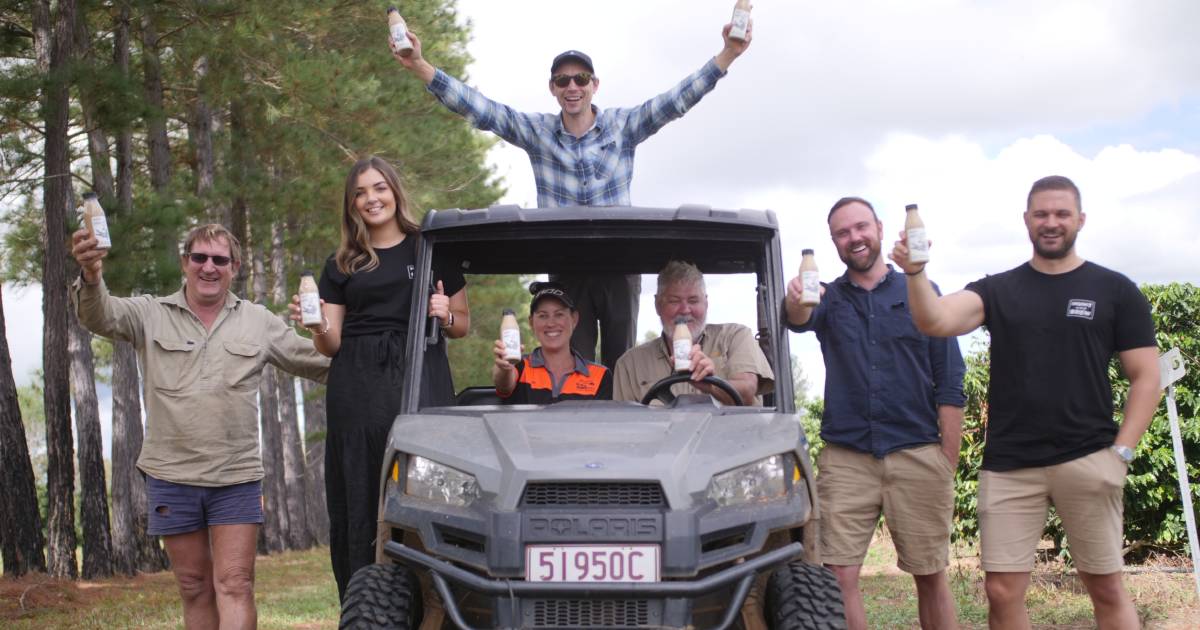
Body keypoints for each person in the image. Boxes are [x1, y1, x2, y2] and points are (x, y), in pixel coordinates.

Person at [390, 20, 752, 372]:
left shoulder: (622, 126)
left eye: (581, 79)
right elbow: (481, 110)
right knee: (570, 362)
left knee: (620, 359)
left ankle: (623, 429)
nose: (572, 86)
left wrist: (727, 55)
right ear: (553, 88)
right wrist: (421, 66)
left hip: (618, 267)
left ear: (595, 85)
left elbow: (676, 101)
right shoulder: (538, 133)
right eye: (563, 80)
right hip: (567, 268)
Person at [891, 175, 1161, 630]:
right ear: (1026, 221)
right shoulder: (998, 290)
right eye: (1041, 214)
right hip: (1010, 465)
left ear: (1080, 219)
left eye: (1061, 214)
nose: (1051, 223)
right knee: (1001, 592)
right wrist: (915, 274)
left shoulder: (1114, 289)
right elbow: (935, 320)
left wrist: (1122, 453)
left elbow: (1146, 377)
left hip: (1090, 458)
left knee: (1106, 587)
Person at [71, 223, 329, 630]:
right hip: (171, 475)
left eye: (220, 260)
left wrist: (349, 340)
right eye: (200, 258)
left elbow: (321, 362)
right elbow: (99, 315)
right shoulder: (149, 313)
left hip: (236, 477)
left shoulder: (258, 321)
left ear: (235, 267)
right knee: (193, 586)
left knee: (236, 583)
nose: (209, 267)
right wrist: (91, 273)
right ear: (184, 262)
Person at [292, 156, 470, 602]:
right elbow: (329, 345)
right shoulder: (341, 264)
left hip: (419, 377)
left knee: (427, 484)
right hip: (358, 387)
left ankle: (435, 601)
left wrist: (445, 314)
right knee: (363, 489)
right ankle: (365, 603)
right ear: (351, 205)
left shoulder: (431, 247)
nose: (371, 198)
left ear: (395, 191)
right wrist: (315, 325)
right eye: (360, 192)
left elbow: (464, 323)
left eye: (379, 188)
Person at [784, 197, 966, 630]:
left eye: (860, 227)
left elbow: (950, 377)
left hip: (918, 451)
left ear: (881, 228)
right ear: (834, 242)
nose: (854, 238)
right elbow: (797, 318)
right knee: (839, 574)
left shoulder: (919, 290)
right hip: (847, 458)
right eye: (843, 233)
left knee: (930, 574)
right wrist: (796, 298)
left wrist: (947, 458)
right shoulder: (825, 298)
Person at [613, 261, 773, 406]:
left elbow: (747, 391)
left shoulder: (736, 337)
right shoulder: (629, 364)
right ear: (658, 305)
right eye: (674, 301)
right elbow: (624, 428)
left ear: (706, 303)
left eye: (693, 301)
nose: (684, 310)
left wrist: (711, 384)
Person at [492, 282, 612, 403]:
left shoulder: (600, 375)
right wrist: (504, 368)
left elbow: (602, 421)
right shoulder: (518, 365)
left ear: (574, 319)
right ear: (531, 322)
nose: (551, 323)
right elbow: (504, 386)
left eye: (559, 315)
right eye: (543, 316)